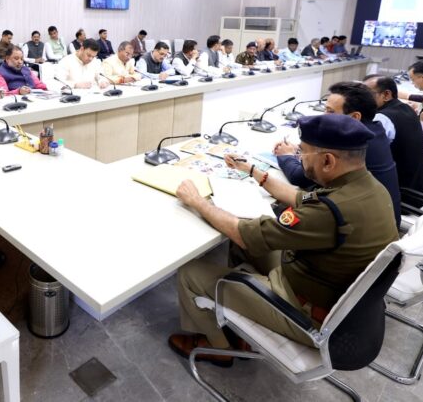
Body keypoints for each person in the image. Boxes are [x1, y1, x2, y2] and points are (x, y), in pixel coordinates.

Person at [169, 114, 398, 366]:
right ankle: (235, 313)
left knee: (191, 273)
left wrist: (197, 201)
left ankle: (218, 347)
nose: (299, 158)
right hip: (322, 286)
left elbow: (245, 234)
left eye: (304, 153)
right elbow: (302, 198)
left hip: (306, 312)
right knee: (245, 239)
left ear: (328, 160)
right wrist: (254, 171)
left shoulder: (330, 211)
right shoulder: (367, 187)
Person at [274, 82, 401, 228]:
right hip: (376, 219)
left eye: (330, 111)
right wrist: (306, 150)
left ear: (354, 117)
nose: (324, 116)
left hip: (359, 226)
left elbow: (299, 177)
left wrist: (285, 155)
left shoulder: (355, 145)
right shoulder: (373, 131)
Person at [363, 75, 423, 203]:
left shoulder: (381, 119)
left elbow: (364, 153)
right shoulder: (407, 108)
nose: (361, 98)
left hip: (395, 195)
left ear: (386, 95)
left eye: (366, 94)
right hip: (415, 188)